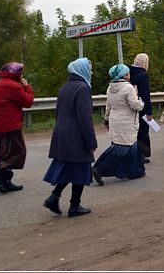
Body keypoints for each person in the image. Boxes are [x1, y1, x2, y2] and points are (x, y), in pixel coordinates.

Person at [43, 58, 98, 218]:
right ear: (82, 70)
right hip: (76, 135)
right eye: (90, 69)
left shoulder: (65, 87)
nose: (92, 72)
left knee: (69, 167)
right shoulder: (83, 88)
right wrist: (91, 141)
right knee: (81, 168)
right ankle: (74, 206)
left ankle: (54, 196)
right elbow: (85, 118)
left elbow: (58, 112)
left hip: (62, 132)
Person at [91, 64, 145, 186]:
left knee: (131, 146)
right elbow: (134, 105)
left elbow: (108, 106)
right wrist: (141, 103)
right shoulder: (128, 87)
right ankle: (99, 169)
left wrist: (106, 119)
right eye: (128, 73)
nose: (129, 75)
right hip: (127, 121)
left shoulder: (110, 88)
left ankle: (136, 171)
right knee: (123, 147)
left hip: (115, 119)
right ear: (125, 75)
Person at [0, 62, 35, 193]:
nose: (22, 75)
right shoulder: (13, 86)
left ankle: (6, 182)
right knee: (17, 152)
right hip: (10, 125)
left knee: (4, 153)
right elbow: (28, 102)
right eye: (20, 72)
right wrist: (27, 87)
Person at [129, 53, 153, 164]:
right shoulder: (143, 75)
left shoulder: (128, 72)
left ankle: (132, 153)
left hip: (130, 106)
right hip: (141, 107)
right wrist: (149, 112)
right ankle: (141, 154)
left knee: (133, 131)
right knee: (143, 131)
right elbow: (145, 95)